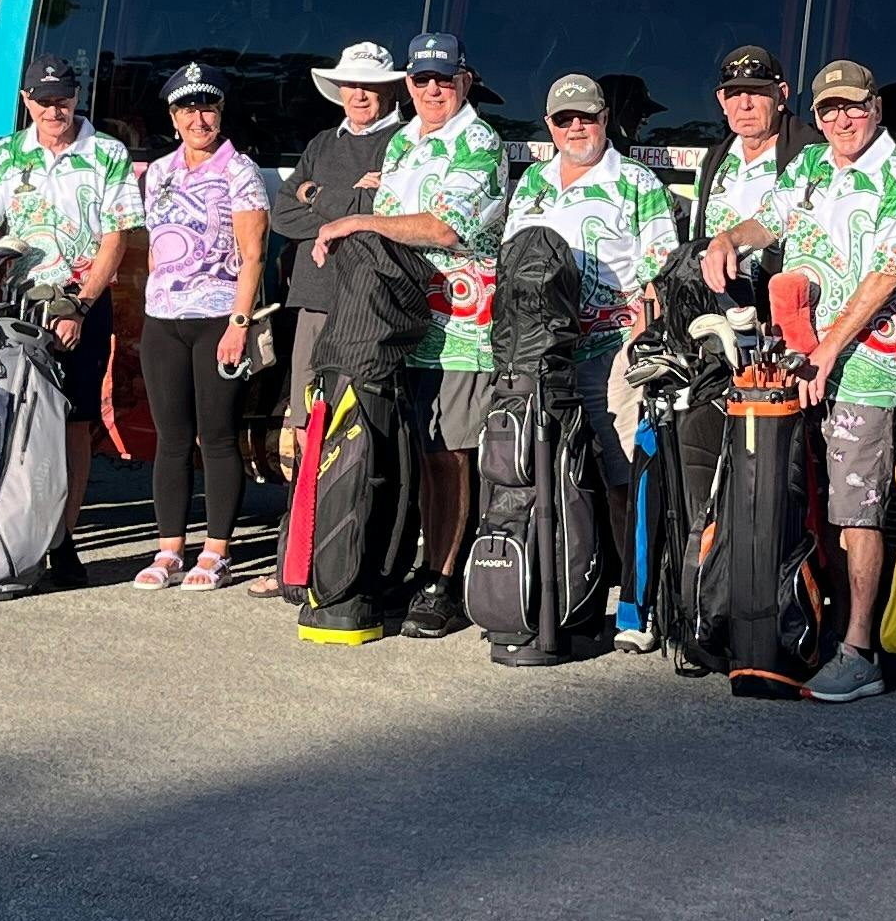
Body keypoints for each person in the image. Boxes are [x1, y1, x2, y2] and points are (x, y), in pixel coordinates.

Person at [697, 57, 896, 704]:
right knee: (804, 500)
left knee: (858, 511)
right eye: (829, 110)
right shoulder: (813, 166)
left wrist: (826, 351)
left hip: (862, 368)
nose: (842, 119)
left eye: (853, 106)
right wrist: (728, 240)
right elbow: (769, 220)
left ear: (874, 108)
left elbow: (885, 274)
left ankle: (859, 651)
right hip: (801, 359)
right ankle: (808, 627)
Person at [307, 32, 508, 638]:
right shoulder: (402, 143)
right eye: (421, 80)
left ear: (464, 81)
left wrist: (355, 219)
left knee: (449, 457)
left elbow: (445, 230)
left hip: (458, 326)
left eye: (443, 79)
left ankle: (443, 580)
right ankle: (405, 566)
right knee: (411, 454)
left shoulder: (479, 141)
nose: (431, 89)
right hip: (396, 324)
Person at [0, 55, 139, 590]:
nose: (55, 109)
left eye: (64, 98)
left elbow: (115, 237)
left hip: (77, 307)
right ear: (27, 100)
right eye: (43, 99)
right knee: (8, 416)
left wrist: (81, 304)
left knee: (71, 426)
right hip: (11, 311)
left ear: (77, 97)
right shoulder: (4, 155)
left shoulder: (106, 153)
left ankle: (63, 540)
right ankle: (13, 525)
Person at [510, 72, 683, 632]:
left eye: (586, 116)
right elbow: (513, 263)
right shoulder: (531, 182)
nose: (576, 127)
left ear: (606, 118)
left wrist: (642, 335)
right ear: (549, 126)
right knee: (551, 476)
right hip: (542, 355)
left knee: (620, 479)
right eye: (564, 120)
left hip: (612, 352)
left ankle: (635, 603)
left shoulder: (637, 182)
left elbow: (662, 271)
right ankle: (567, 595)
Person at [262, 40, 404, 594]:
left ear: (388, 89)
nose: (359, 94)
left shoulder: (404, 143)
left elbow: (384, 211)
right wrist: (349, 196)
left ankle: (349, 557)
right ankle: (295, 558)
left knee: (363, 427)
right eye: (350, 84)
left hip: (368, 303)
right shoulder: (324, 141)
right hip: (315, 302)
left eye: (369, 85)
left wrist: (317, 194)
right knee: (305, 426)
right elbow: (284, 213)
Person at [133, 62, 269, 592]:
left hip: (218, 316)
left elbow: (252, 255)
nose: (199, 117)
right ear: (173, 116)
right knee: (170, 438)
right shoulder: (160, 171)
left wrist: (239, 323)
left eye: (208, 107)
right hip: (163, 317)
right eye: (188, 108)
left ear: (221, 113)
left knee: (215, 436)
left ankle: (215, 550)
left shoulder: (241, 172)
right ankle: (169, 548)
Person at [696, 44, 801, 249]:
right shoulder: (712, 161)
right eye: (734, 93)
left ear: (781, 95)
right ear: (722, 101)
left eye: (755, 91)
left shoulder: (810, 158)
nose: (745, 104)